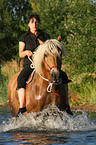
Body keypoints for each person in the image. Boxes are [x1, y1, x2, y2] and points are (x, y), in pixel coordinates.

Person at [16, 13, 73, 117]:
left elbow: (50, 49)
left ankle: (66, 105)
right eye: (32, 22)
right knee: (21, 78)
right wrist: (26, 52)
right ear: (29, 24)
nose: (34, 24)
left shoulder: (45, 36)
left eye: (36, 22)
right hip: (31, 64)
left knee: (64, 76)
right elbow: (20, 53)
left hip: (45, 64)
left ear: (39, 24)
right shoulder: (24, 37)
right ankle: (22, 107)